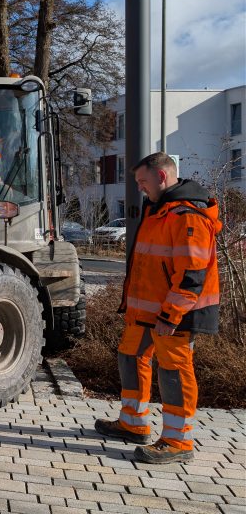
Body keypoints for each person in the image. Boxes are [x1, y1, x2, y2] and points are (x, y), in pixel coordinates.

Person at [94, 153, 222, 464]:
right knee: (130, 356)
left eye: (142, 181)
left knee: (173, 372)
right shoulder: (161, 211)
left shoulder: (188, 216)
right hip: (148, 311)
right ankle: (133, 423)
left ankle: (178, 441)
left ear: (161, 178)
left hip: (175, 314)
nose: (140, 188)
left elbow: (192, 274)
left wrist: (170, 315)